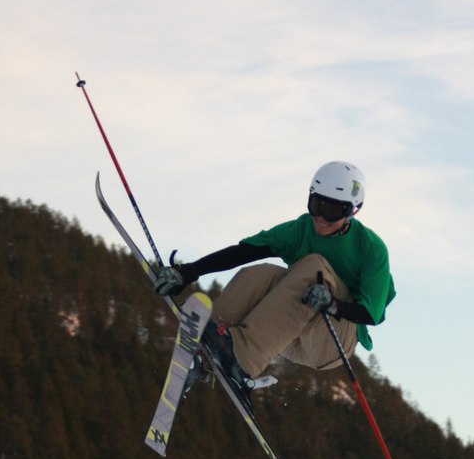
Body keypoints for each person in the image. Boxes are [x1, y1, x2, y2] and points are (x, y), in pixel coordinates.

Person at [154, 161, 395, 397]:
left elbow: (370, 314)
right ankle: (207, 348)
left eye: (331, 210)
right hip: (288, 334)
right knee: (264, 274)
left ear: (352, 210)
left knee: (314, 266)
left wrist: (332, 304)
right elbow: (246, 251)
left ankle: (242, 359)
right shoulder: (302, 229)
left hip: (331, 342)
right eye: (315, 205)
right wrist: (188, 272)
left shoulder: (371, 248)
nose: (320, 216)